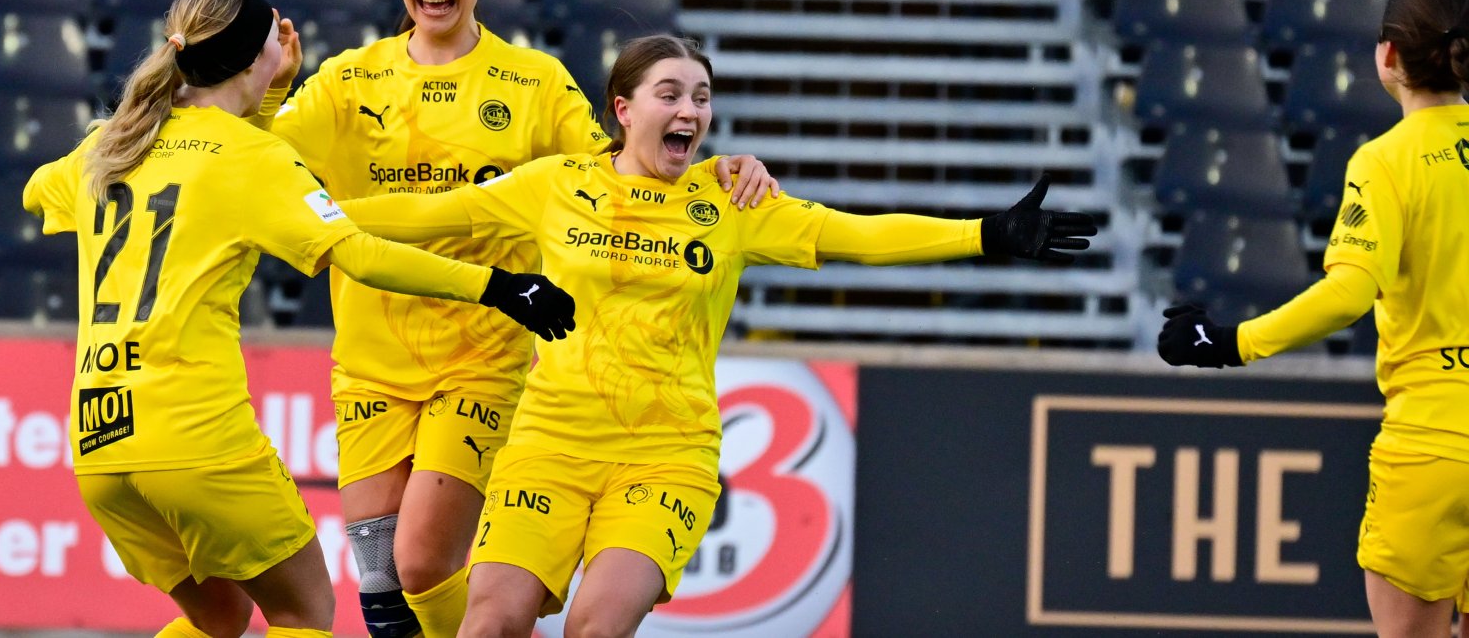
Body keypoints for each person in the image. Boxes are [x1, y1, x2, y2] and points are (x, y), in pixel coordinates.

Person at [333, 33, 1098, 637]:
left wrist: (984, 233)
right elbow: (431, 219)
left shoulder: (732, 200)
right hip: (549, 444)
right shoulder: (555, 186)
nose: (691, 112)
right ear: (623, 109)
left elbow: (854, 235)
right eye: (670, 94)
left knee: (597, 627)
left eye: (702, 97)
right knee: (491, 620)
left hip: (665, 455)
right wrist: (300, 217)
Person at [250, 0, 778, 638]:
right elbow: (261, 167)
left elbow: (615, 168)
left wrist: (715, 175)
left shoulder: (532, 83)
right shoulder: (347, 81)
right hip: (369, 358)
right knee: (379, 582)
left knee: (425, 561)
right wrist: (272, 96)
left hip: (482, 355)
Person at [22, 0, 577, 638]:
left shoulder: (108, 147)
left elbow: (36, 192)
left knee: (220, 617)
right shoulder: (250, 158)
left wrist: (254, 107)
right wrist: (498, 286)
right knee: (305, 611)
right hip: (198, 440)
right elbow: (362, 254)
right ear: (264, 56)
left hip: (100, 445)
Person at [1157, 0, 1469, 638]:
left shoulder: (1385, 162)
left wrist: (1229, 342)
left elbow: (1348, 293)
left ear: (1387, 56)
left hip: (1432, 447)